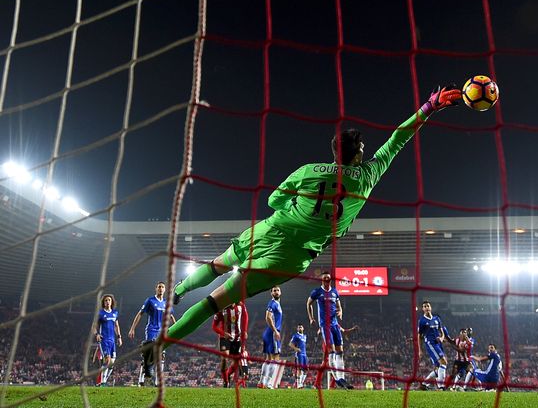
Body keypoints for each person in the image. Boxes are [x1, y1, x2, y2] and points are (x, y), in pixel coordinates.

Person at [160, 84, 462, 358]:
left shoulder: (308, 171)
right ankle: (162, 343)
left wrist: (294, 203)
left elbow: (272, 201)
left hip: (271, 230)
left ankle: (180, 290)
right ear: (358, 154)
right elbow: (398, 139)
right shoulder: (368, 175)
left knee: (218, 264)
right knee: (216, 302)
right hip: (292, 256)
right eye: (363, 149)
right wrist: (429, 106)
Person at [307, 271, 354, 389]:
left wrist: (341, 311)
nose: (327, 281)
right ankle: (337, 379)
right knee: (331, 352)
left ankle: (342, 378)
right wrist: (311, 318)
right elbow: (308, 304)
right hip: (325, 325)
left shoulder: (335, 292)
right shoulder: (317, 292)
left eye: (328, 279)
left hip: (335, 325)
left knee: (340, 352)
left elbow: (339, 305)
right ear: (322, 280)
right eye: (325, 279)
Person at [128, 281, 176, 386]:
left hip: (162, 332)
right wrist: (132, 328)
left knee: (162, 356)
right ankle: (141, 379)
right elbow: (140, 314)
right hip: (151, 331)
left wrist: (177, 328)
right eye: (159, 287)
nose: (161, 289)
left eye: (162, 287)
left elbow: (171, 316)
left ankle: (157, 382)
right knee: (149, 355)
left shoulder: (166, 303)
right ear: (156, 288)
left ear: (165, 289)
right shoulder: (150, 300)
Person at [212, 300, 248, 388]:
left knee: (236, 362)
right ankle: (225, 382)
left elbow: (245, 317)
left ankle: (227, 375)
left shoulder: (241, 306)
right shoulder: (221, 309)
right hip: (224, 338)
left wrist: (245, 330)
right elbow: (214, 326)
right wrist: (223, 333)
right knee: (224, 358)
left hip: (237, 338)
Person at [417, 301, 448, 390]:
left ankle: (424, 384)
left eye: (428, 306)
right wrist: (420, 350)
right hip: (430, 344)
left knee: (438, 367)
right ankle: (441, 387)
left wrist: (442, 338)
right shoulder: (422, 321)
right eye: (424, 306)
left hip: (438, 344)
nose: (426, 307)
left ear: (430, 307)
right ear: (423, 309)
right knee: (444, 362)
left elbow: (442, 332)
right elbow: (419, 336)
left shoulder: (437, 319)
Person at [93, 294, 121, 387]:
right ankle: (103, 382)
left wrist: (119, 337)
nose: (107, 302)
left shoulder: (115, 313)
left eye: (109, 300)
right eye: (105, 300)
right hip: (103, 340)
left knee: (112, 364)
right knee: (107, 361)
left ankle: (102, 381)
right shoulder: (100, 313)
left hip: (112, 340)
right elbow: (94, 326)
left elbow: (116, 326)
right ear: (103, 303)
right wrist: (96, 334)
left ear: (112, 302)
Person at [260, 286, 283, 389]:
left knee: (268, 359)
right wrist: (275, 331)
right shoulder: (272, 303)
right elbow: (267, 317)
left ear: (280, 292)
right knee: (275, 358)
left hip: (269, 332)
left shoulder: (277, 304)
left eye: (278, 290)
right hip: (272, 333)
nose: (276, 292)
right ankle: (269, 383)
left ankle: (262, 382)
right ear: (271, 293)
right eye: (274, 290)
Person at [289, 324, 308, 389]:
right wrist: (296, 349)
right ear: (297, 329)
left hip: (304, 354)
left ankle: (301, 383)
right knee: (300, 369)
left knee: (306, 370)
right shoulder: (295, 336)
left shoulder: (305, 336)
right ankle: (299, 384)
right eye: (298, 327)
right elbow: (290, 344)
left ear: (303, 328)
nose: (300, 328)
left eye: (301, 327)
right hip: (299, 354)